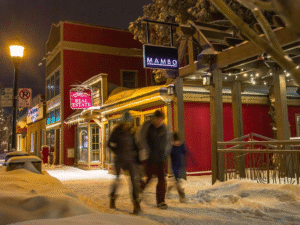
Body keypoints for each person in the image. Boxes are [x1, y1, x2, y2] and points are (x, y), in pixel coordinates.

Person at [107, 111, 141, 214]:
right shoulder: (117, 131)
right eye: (126, 122)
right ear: (122, 122)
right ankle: (113, 197)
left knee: (133, 182)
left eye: (129, 122)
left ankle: (136, 203)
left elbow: (136, 145)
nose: (127, 124)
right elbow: (109, 144)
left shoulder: (132, 132)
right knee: (118, 180)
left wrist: (138, 158)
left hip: (131, 159)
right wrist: (116, 151)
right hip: (119, 159)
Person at [137, 110, 172, 209]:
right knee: (147, 178)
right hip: (149, 158)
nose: (160, 122)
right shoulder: (147, 127)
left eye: (162, 120)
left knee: (162, 180)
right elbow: (141, 140)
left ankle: (161, 201)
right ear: (154, 118)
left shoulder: (164, 128)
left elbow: (169, 141)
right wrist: (146, 152)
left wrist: (166, 152)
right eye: (158, 119)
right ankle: (138, 192)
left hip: (161, 158)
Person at [168, 132, 187, 203]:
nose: (176, 142)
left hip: (177, 165)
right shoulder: (173, 146)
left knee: (177, 181)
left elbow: (185, 152)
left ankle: (170, 189)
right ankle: (182, 195)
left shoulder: (176, 145)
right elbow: (185, 152)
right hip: (176, 165)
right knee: (177, 181)